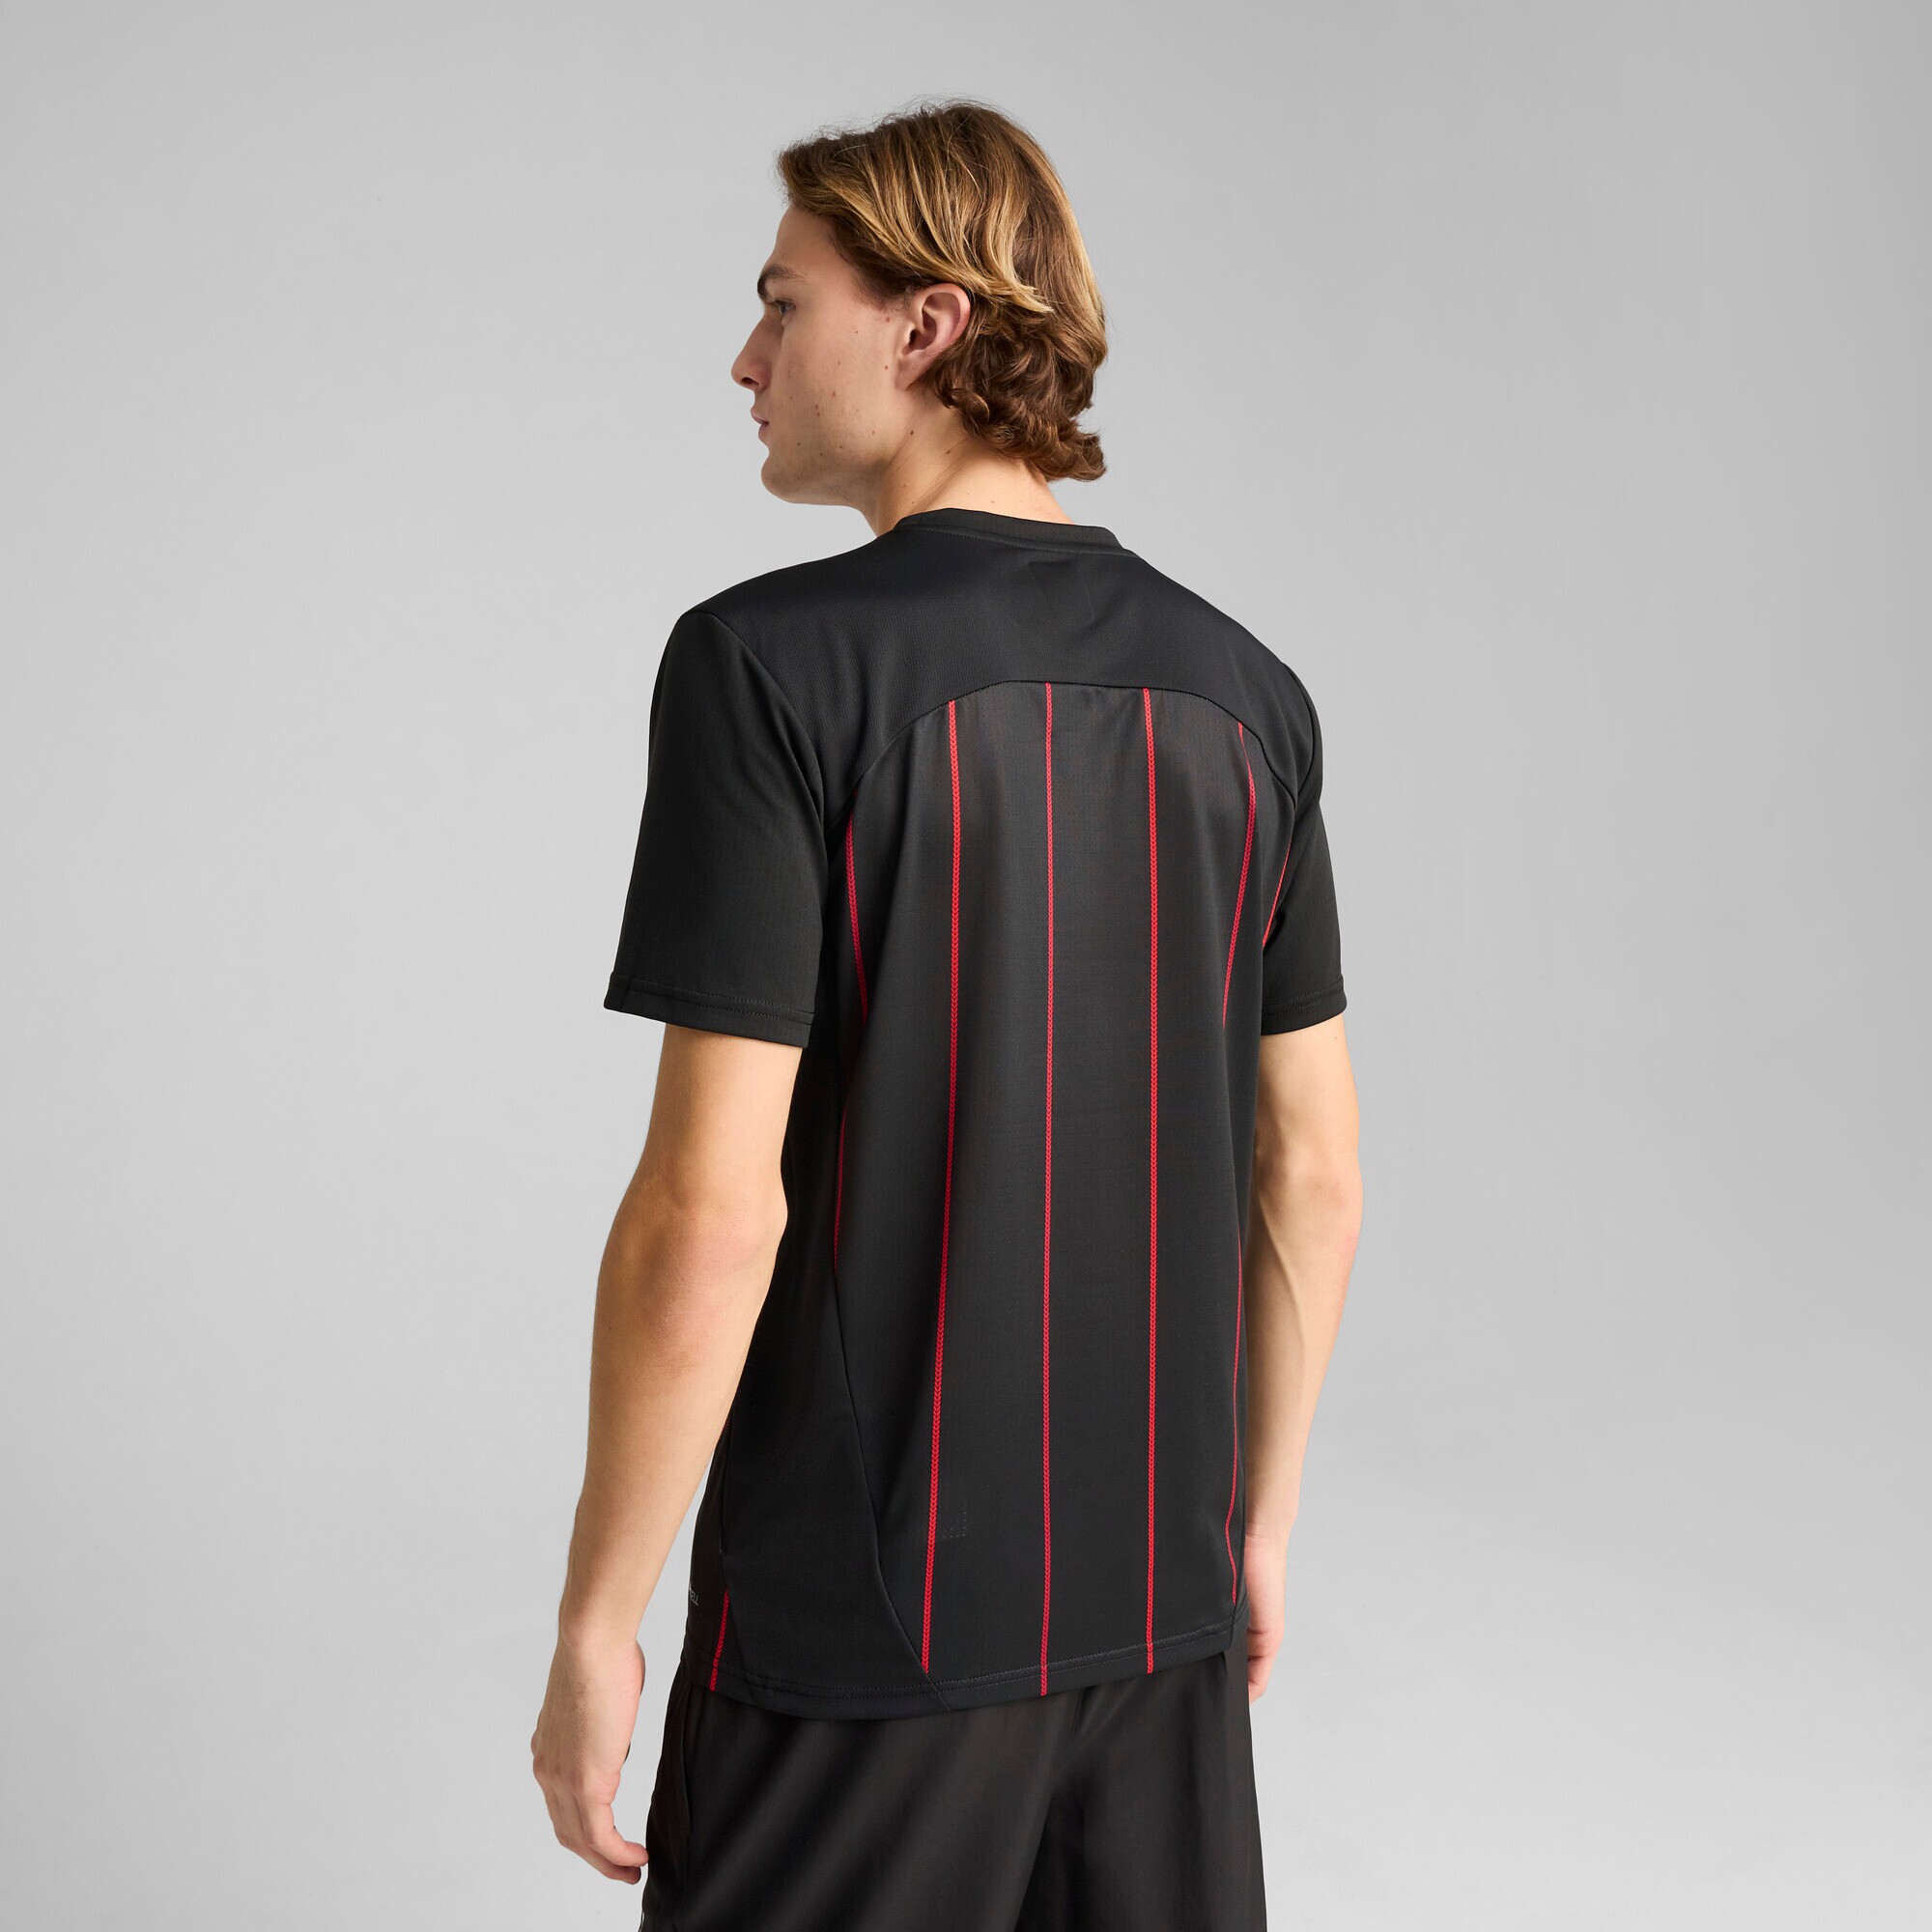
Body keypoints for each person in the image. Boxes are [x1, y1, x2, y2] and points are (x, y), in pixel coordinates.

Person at [530, 98, 1363, 1932]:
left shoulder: (767, 668)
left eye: (781, 303)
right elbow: (1312, 1174)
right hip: (1160, 1626)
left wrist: (600, 1618)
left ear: (926, 325)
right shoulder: (1251, 695)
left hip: (860, 1641)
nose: (745, 357)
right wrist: (1258, 1528)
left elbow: (708, 1213)